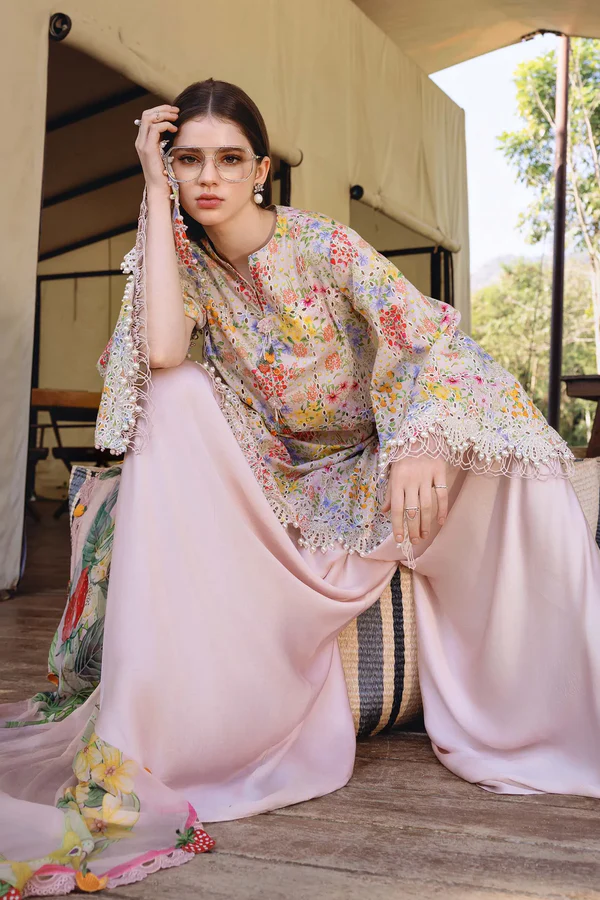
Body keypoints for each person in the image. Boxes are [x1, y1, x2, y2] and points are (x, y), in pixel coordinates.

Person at [1, 77, 599, 898]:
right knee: (173, 394)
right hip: (285, 481)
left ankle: (547, 711)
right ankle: (166, 731)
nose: (208, 177)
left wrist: (421, 440)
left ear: (261, 170)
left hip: (384, 459)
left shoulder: (323, 244)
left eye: (229, 159)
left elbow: (426, 336)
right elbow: (164, 351)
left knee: (518, 451)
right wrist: (149, 187)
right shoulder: (188, 265)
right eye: (187, 161)